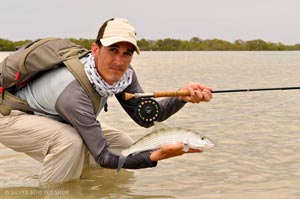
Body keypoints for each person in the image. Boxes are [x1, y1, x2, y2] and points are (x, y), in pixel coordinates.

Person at [0, 18, 212, 186]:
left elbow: (147, 117)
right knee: (69, 142)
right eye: (113, 50)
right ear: (95, 50)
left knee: (123, 144)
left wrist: (181, 98)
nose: (119, 61)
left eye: (126, 53)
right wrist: (155, 156)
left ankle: (87, 187)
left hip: (51, 115)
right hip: (10, 115)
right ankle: (56, 192)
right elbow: (103, 156)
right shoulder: (73, 93)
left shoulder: (124, 75)